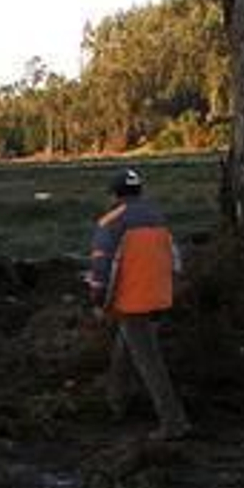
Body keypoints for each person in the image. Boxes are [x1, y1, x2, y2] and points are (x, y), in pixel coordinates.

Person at [87, 168, 192, 441]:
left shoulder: (111, 222)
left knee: (149, 362)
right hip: (159, 297)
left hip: (130, 302)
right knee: (126, 349)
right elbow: (175, 258)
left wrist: (98, 301)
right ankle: (116, 402)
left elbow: (101, 267)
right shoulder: (157, 217)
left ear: (114, 194)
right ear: (140, 191)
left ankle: (174, 423)